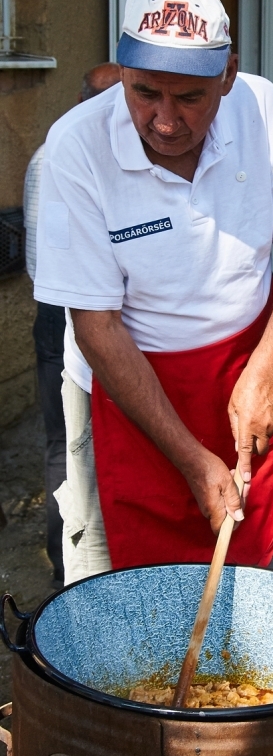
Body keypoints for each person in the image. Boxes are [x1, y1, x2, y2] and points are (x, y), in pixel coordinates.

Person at [34, 0, 273, 585]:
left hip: (247, 366)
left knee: (264, 560)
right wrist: (195, 462)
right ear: (122, 72)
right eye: (145, 93)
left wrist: (267, 372)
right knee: (115, 585)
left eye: (190, 98)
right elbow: (97, 325)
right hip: (122, 380)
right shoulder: (76, 147)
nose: (166, 122)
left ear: (228, 74)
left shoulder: (261, 106)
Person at [23, 63, 121, 586]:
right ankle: (70, 566)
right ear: (85, 101)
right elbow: (54, 262)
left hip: (93, 315)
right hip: (63, 318)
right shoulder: (59, 158)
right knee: (68, 441)